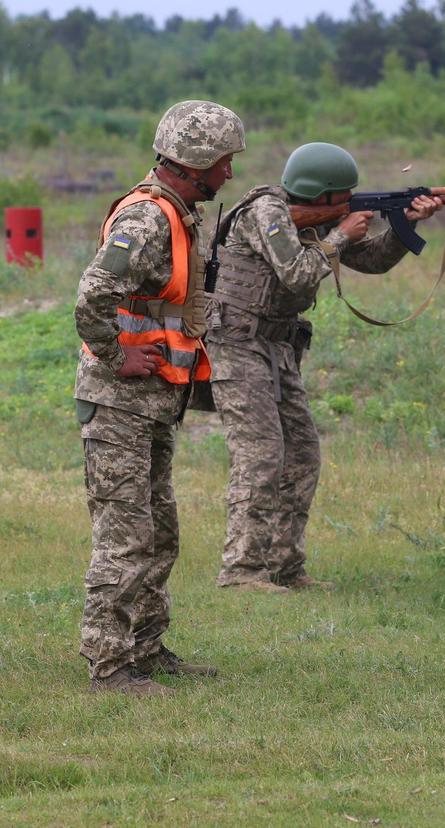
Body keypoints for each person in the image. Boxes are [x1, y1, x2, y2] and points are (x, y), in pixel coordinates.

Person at [205, 142, 442, 592]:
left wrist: (403, 225)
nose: (350, 204)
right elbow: (296, 272)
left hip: (279, 344)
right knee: (261, 456)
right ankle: (240, 571)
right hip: (236, 341)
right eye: (343, 197)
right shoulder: (266, 213)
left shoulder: (317, 215)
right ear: (321, 195)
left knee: (302, 453)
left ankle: (284, 567)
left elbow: (370, 261)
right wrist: (339, 236)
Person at [75, 100, 245, 695]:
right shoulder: (146, 219)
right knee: (124, 537)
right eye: (224, 162)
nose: (229, 173)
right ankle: (109, 665)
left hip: (151, 403)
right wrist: (119, 355)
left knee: (159, 532)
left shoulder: (178, 213)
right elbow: (92, 297)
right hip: (119, 402)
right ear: (196, 161)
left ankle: (146, 648)